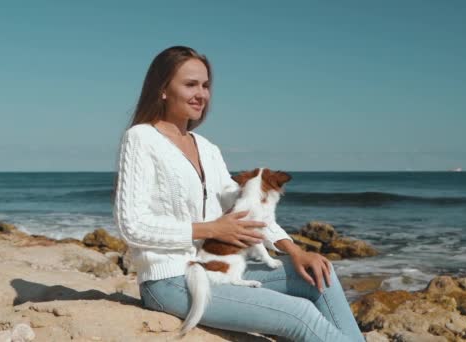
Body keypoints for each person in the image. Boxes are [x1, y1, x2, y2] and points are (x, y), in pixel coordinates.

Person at [113, 46, 365, 342]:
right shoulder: (141, 138)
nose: (201, 94)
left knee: (321, 276)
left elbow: (248, 211)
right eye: (190, 84)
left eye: (205, 85)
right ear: (163, 89)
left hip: (216, 274)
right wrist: (211, 229)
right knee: (300, 314)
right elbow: (131, 225)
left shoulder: (207, 149)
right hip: (170, 282)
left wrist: (294, 250)